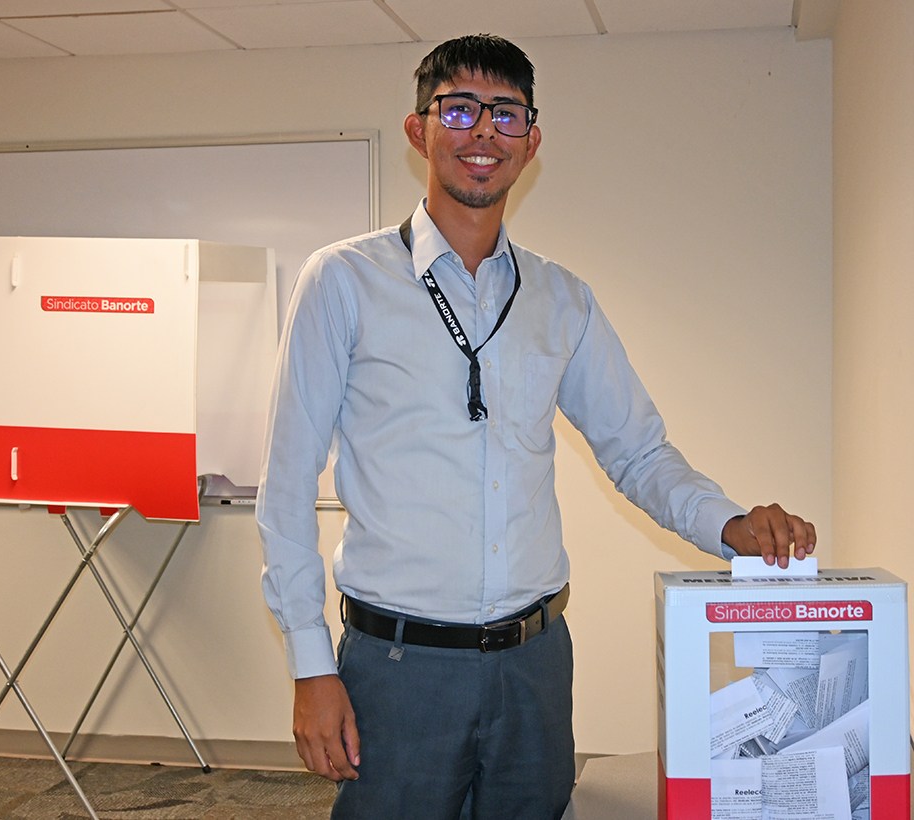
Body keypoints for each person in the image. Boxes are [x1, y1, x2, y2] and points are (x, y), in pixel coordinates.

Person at [257, 33, 816, 820]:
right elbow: (285, 486)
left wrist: (732, 526)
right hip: (398, 667)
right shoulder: (344, 282)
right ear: (419, 130)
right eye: (459, 109)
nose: (484, 131)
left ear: (531, 141)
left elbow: (638, 453)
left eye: (507, 113)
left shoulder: (562, 299)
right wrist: (311, 665)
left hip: (535, 668)